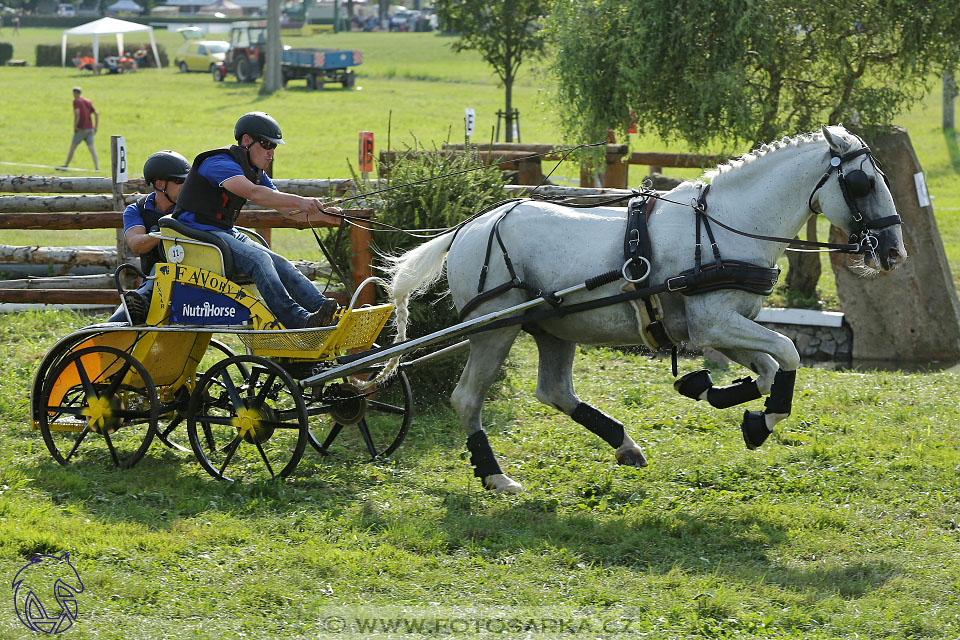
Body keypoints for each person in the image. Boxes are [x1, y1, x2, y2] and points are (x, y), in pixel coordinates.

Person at [173, 112, 340, 329]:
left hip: (221, 233)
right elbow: (254, 193)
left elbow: (287, 210)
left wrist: (327, 216)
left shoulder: (255, 171)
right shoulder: (218, 162)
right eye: (266, 144)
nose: (271, 152)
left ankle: (326, 311)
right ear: (246, 140)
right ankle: (297, 319)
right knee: (260, 259)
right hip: (195, 233)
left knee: (281, 262)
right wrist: (300, 201)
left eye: (274, 147)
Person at [108, 151, 191, 324]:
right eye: (179, 181)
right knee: (113, 326)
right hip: (155, 284)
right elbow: (137, 245)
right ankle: (142, 300)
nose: (186, 185)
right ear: (160, 184)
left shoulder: (193, 209)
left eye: (187, 180)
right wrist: (167, 232)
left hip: (191, 281)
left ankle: (143, 299)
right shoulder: (136, 210)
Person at [60, 87, 99, 171]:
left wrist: (75, 126)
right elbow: (96, 113)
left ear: (76, 93)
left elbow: (77, 113)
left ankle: (66, 165)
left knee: (72, 147)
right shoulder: (87, 100)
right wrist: (96, 127)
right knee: (91, 148)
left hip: (81, 128)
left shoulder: (76, 101)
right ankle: (97, 168)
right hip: (90, 128)